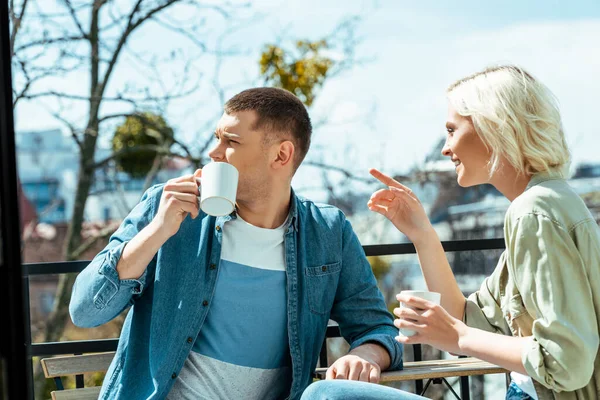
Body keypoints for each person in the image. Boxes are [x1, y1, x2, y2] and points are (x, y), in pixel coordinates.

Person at [69, 87, 406, 400]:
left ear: (281, 155)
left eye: (230, 140)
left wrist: (366, 354)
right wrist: (157, 230)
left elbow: (378, 327)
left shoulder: (327, 232)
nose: (213, 152)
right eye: (216, 138)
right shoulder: (169, 207)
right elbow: (85, 311)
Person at [368, 65, 600, 400]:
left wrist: (458, 336)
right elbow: (467, 318)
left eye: (452, 130)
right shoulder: (549, 201)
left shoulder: (533, 212)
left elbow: (565, 362)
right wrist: (422, 233)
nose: (446, 148)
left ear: (494, 128)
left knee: (325, 394)